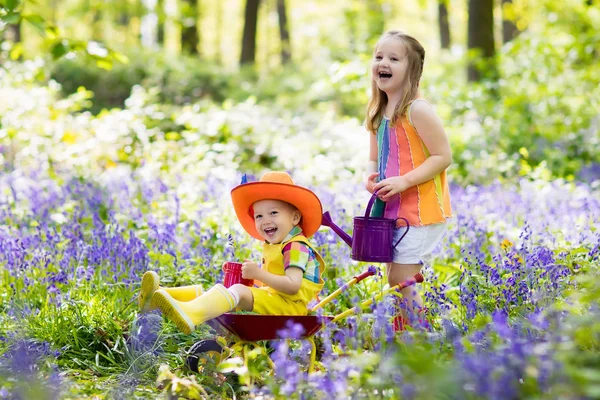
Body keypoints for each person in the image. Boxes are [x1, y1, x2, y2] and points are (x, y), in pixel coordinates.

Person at [138, 171, 326, 335]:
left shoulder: (296, 246)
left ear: (295, 217)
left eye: (273, 213)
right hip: (278, 302)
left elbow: (292, 286)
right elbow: (273, 284)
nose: (265, 220)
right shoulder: (277, 245)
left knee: (236, 291)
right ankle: (160, 297)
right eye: (259, 216)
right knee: (225, 290)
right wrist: (248, 276)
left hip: (291, 309)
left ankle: (191, 313)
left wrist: (258, 273)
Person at [364, 30, 452, 330]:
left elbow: (442, 156)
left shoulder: (418, 110)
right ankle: (408, 335)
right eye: (378, 57)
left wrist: (404, 181)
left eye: (393, 58)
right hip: (393, 211)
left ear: (412, 70)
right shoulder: (378, 111)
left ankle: (418, 337)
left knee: (401, 276)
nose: (383, 63)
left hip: (422, 210)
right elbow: (375, 157)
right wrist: (371, 176)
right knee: (395, 275)